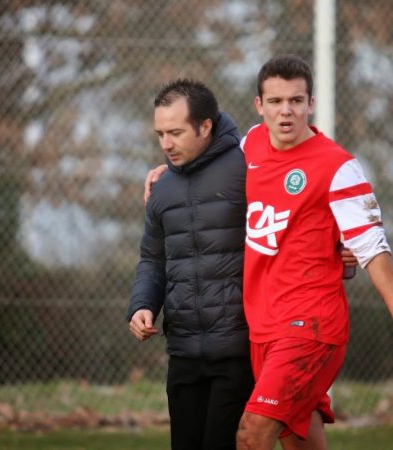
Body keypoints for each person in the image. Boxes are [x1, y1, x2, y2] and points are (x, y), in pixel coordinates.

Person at [236, 54, 393, 450]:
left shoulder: (338, 167)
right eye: (275, 101)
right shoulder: (250, 143)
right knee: (298, 440)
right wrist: (170, 173)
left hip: (311, 326)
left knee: (253, 432)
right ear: (259, 105)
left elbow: (373, 250)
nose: (285, 111)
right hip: (263, 324)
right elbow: (209, 161)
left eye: (295, 100)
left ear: (311, 104)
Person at [127, 79, 254, 450]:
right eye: (160, 134)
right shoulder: (161, 188)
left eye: (176, 133)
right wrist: (142, 305)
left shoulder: (249, 168)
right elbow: (152, 259)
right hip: (183, 350)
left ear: (205, 126)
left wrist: (340, 252)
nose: (166, 144)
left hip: (238, 348)